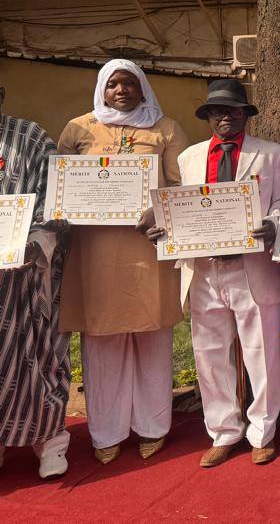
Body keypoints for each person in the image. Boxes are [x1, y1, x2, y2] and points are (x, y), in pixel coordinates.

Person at [144, 79, 280, 467]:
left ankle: (262, 432)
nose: (226, 117)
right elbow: (182, 207)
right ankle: (223, 431)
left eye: (234, 110)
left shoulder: (271, 154)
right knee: (209, 354)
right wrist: (164, 227)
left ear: (245, 114)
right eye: (218, 111)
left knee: (261, 354)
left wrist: (273, 224)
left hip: (251, 267)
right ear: (208, 115)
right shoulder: (189, 158)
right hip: (204, 269)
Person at [57, 59, 188, 464]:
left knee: (152, 340)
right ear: (102, 88)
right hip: (94, 255)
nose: (121, 90)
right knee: (102, 343)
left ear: (143, 87)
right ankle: (106, 432)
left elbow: (182, 185)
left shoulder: (165, 128)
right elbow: (59, 185)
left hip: (148, 252)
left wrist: (159, 209)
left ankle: (153, 427)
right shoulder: (78, 128)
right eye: (113, 84)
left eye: (129, 83)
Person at [0, 86, 70, 479]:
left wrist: (34, 243)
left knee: (40, 357)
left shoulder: (31, 138)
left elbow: (55, 200)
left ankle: (52, 442)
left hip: (26, 275)